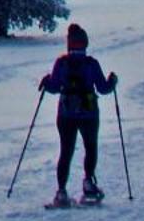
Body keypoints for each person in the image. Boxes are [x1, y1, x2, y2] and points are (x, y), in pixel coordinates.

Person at [39, 23, 116, 207]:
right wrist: (112, 82)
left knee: (66, 150)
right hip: (89, 113)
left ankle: (61, 192)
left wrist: (46, 82)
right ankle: (88, 183)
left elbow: (55, 87)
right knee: (90, 147)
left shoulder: (62, 63)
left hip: (66, 113)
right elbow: (103, 89)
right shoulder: (91, 63)